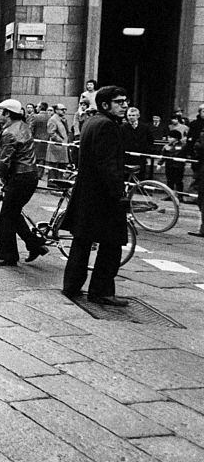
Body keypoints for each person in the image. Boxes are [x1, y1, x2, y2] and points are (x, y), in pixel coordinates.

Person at [61, 85, 132, 306]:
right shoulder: (108, 126)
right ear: (105, 105)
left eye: (125, 101)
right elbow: (107, 164)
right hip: (103, 198)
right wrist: (119, 194)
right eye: (119, 102)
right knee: (111, 245)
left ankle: (71, 286)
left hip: (87, 194)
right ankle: (101, 291)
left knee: (82, 241)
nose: (125, 105)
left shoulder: (92, 122)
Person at [0, 99, 46, 266]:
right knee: (13, 213)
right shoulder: (24, 126)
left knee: (6, 216)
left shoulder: (8, 133)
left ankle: (7, 256)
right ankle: (35, 245)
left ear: (7, 113)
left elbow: (6, 160)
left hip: (19, 177)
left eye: (0, 112)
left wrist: (3, 175)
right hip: (30, 175)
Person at [120, 106, 151, 176]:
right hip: (127, 157)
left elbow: (150, 140)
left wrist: (146, 151)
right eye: (129, 115)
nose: (131, 117)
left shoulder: (145, 127)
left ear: (138, 116)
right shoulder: (122, 127)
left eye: (133, 115)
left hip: (140, 157)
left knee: (140, 177)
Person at [46, 104, 70, 179]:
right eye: (62, 109)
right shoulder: (53, 119)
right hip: (56, 147)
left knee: (61, 166)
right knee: (54, 166)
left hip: (62, 146)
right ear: (56, 110)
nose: (64, 111)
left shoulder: (62, 119)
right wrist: (60, 140)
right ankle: (53, 183)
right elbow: (51, 132)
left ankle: (59, 183)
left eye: (65, 109)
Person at [30, 101, 51, 177]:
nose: (36, 108)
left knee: (35, 157)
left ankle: (35, 173)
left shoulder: (35, 117)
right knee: (43, 158)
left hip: (36, 139)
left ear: (40, 108)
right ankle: (40, 174)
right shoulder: (50, 117)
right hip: (47, 140)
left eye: (37, 106)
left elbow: (31, 129)